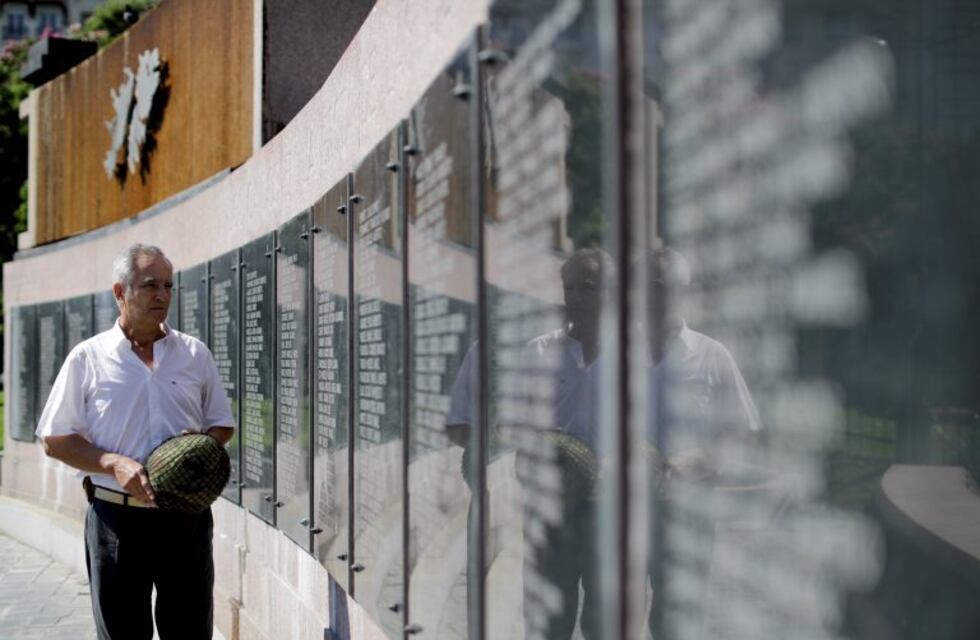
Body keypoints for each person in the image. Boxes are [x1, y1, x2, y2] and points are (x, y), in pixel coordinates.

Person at [35, 244, 234, 640]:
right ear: (120, 292)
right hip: (116, 521)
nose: (162, 295)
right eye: (149, 285)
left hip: (185, 518)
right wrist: (112, 463)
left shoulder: (194, 354)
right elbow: (54, 439)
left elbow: (221, 424)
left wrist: (203, 444)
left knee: (191, 632)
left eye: (168, 285)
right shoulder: (88, 358)